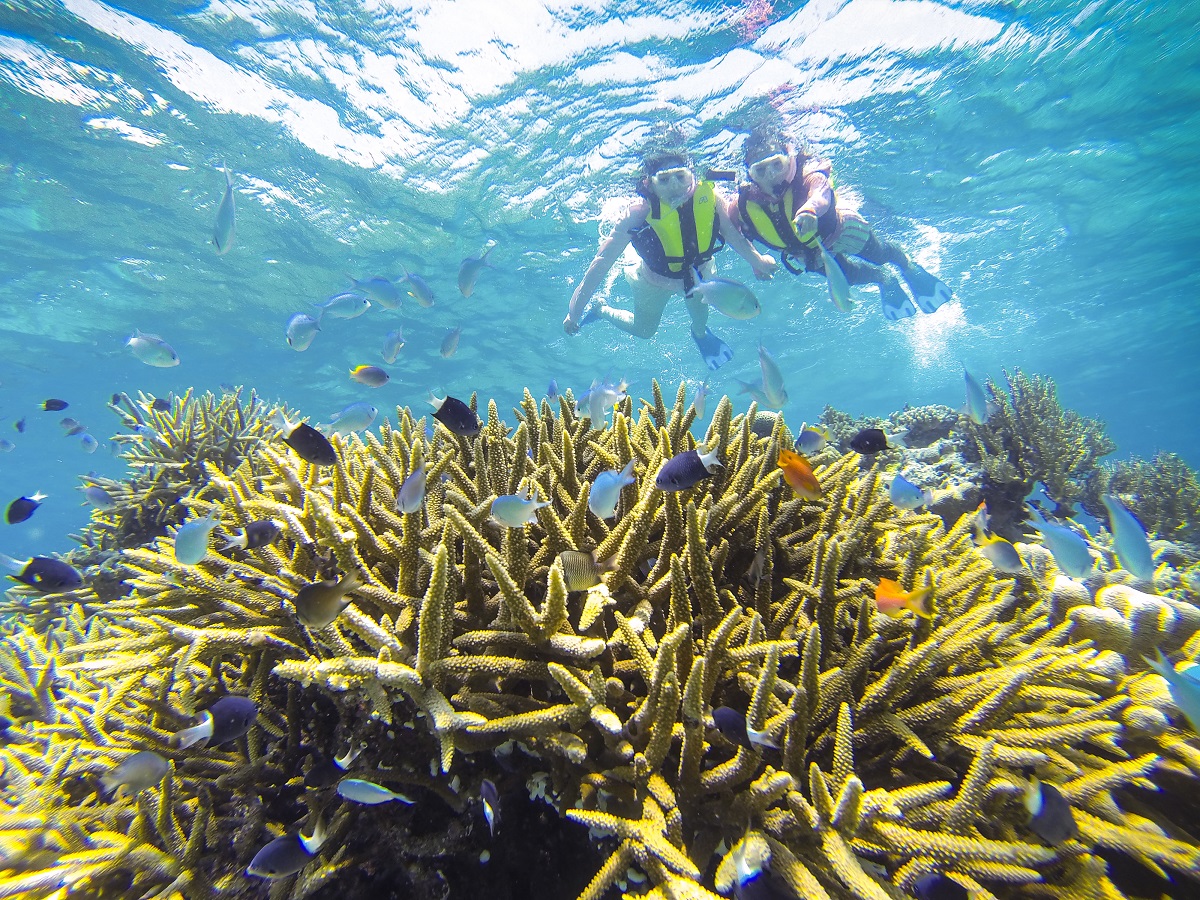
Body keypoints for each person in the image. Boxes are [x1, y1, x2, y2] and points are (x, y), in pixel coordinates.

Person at [563, 148, 777, 370]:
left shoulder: (710, 198)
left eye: (680, 177)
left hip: (699, 275)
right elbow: (601, 263)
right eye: (664, 180)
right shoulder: (637, 213)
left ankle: (701, 335)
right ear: (649, 184)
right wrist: (574, 312)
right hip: (653, 280)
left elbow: (732, 234)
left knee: (701, 323)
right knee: (644, 331)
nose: (675, 186)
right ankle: (601, 310)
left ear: (692, 176)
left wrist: (758, 261)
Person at [733, 126, 952, 320]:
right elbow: (734, 231)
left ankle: (907, 265)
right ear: (750, 176)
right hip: (808, 253)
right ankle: (884, 278)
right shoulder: (744, 203)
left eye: (776, 165)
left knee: (880, 254)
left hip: (840, 229)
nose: (771, 175)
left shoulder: (807, 172)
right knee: (847, 278)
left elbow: (820, 192)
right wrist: (755, 260)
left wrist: (810, 210)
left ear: (788, 160)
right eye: (760, 170)